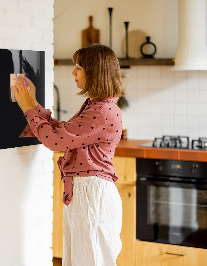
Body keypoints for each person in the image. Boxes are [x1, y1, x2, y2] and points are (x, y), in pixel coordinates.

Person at [12, 44, 124, 266]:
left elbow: (55, 141)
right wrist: (33, 103)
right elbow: (63, 133)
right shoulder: (97, 106)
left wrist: (27, 108)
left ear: (95, 72)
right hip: (87, 193)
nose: (73, 72)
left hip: (92, 195)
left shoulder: (101, 111)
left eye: (79, 67)